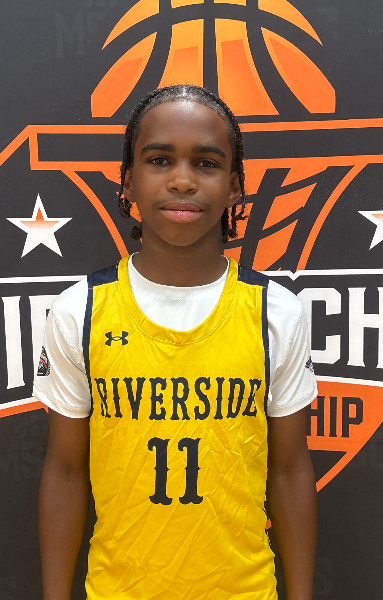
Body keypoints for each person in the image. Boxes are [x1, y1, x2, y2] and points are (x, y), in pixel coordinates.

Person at [34, 85, 318, 600]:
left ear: (235, 187)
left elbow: (290, 471)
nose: (182, 180)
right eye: (160, 160)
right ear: (128, 181)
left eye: (206, 164)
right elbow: (67, 471)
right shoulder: (80, 310)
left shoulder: (276, 311)